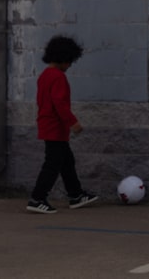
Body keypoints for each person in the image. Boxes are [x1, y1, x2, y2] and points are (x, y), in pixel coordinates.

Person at [26, 35, 98, 214]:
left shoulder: (44, 76)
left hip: (48, 125)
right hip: (55, 128)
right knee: (52, 164)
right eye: (70, 61)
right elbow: (60, 104)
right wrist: (73, 122)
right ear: (63, 58)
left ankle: (76, 195)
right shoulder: (58, 77)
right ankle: (37, 198)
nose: (70, 65)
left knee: (67, 162)